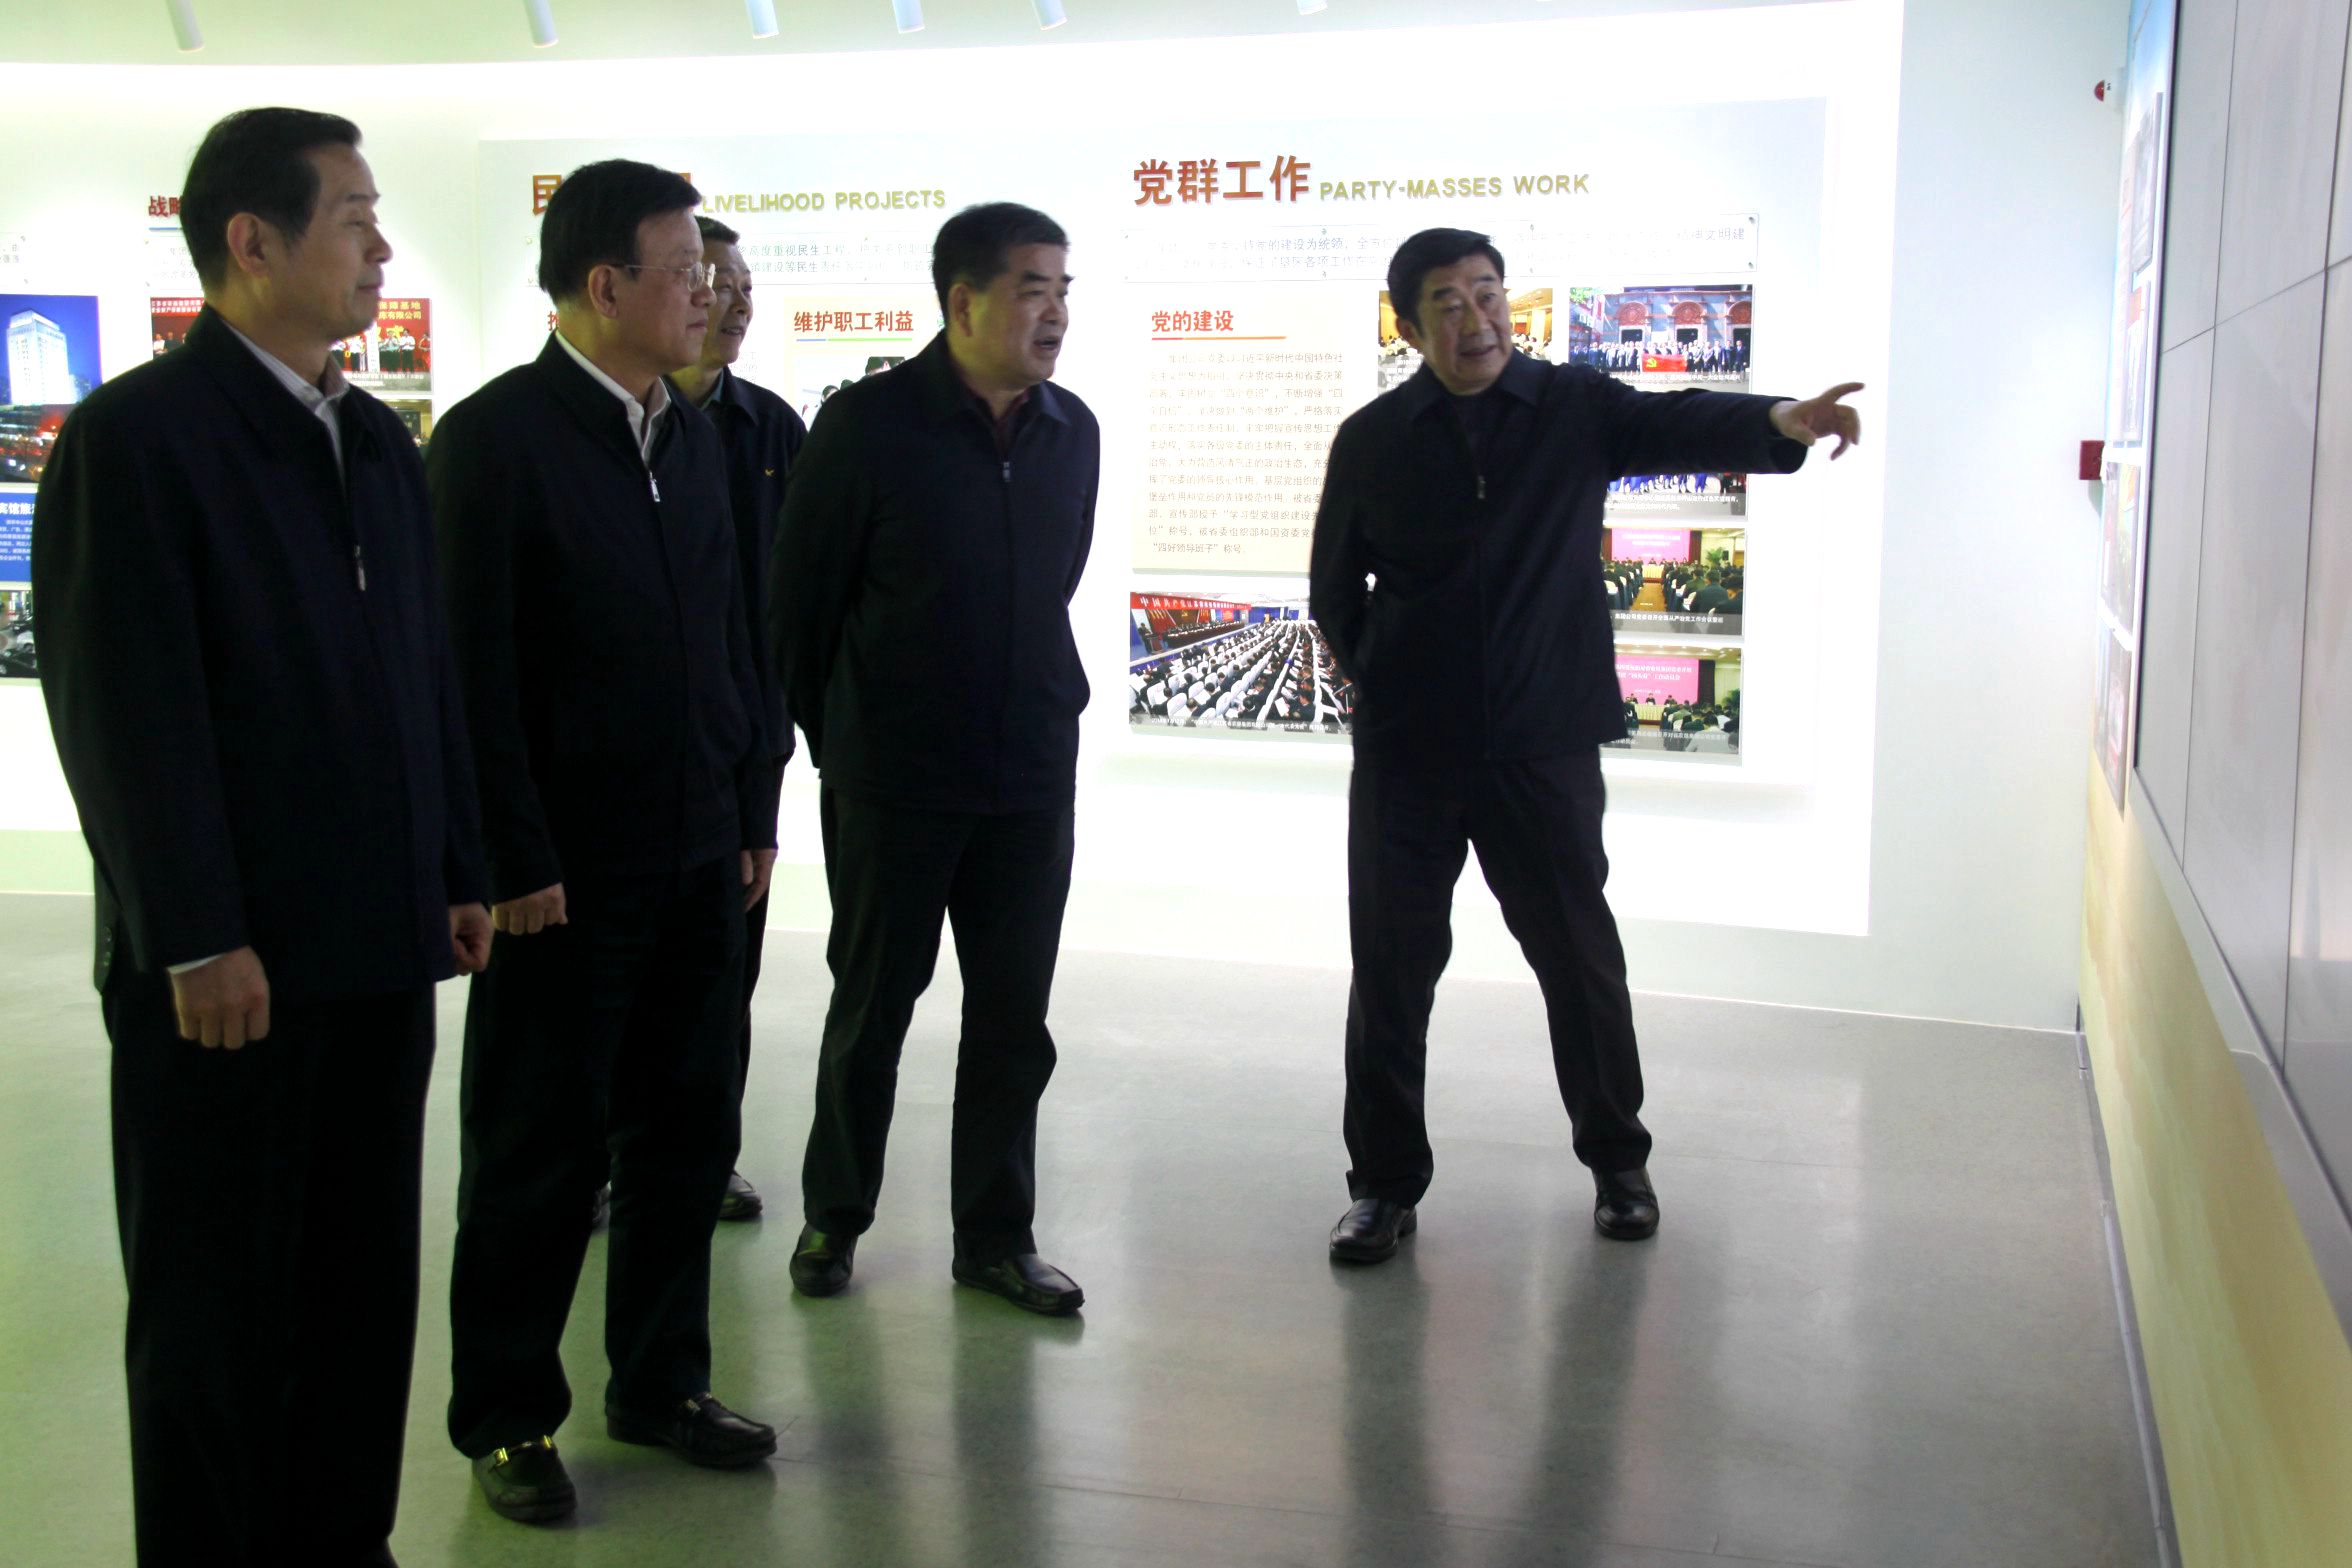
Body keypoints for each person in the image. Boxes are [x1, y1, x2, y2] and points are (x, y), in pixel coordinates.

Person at [32, 107, 491, 1566]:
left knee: (359, 1290)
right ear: (251, 241)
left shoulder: (373, 441)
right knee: (214, 1306)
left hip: (377, 947)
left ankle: (342, 1542)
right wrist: (194, 933)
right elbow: (125, 716)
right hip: (226, 977)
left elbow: (425, 673)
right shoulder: (138, 440)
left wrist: (454, 865)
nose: (382, 247)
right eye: (354, 218)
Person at [1308, 227, 1860, 1264]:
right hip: (1409, 756)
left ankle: (1618, 1162)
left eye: (1487, 294)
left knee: (1578, 959)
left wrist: (1780, 420)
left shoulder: (1571, 407)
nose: (1475, 319)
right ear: (1409, 325)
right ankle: (1381, 1186)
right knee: (1390, 971)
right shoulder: (1375, 438)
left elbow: (1675, 421)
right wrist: (1386, 686)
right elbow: (1334, 588)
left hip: (1543, 743)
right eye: (1446, 302)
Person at [432, 158, 780, 1525]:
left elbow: (734, 639)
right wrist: (511, 858)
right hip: (564, 880)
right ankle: (508, 1414)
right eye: (685, 270)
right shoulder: (495, 441)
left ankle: (660, 1380)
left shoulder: (686, 434)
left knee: (686, 1134)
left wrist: (749, 812)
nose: (708, 292)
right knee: (539, 1151)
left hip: (699, 856)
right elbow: (471, 675)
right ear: (602, 284)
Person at [774, 201, 1097, 1316]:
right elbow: (799, 608)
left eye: (1063, 289)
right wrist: (847, 741)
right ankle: (834, 1214)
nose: (1055, 312)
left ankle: (996, 1237)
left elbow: (1052, 583)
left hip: (1028, 776)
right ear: (962, 301)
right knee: (873, 1005)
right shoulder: (867, 424)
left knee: (1013, 1017)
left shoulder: (1072, 431)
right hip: (895, 779)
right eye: (1032, 289)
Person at [670, 214, 809, 1224]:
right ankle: (605, 1157)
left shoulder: (770, 429)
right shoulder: (616, 427)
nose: (736, 301)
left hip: (745, 746)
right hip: (631, 757)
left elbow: (795, 595)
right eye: (718, 280)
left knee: (727, 969)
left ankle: (703, 1156)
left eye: (747, 285)